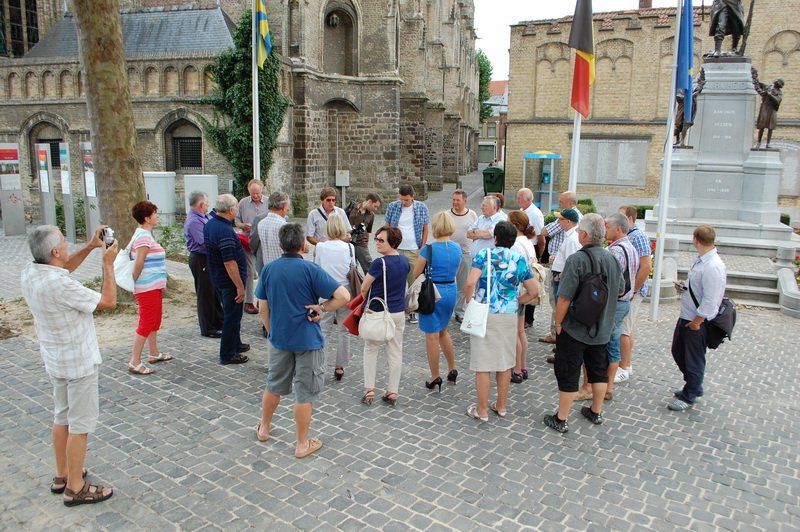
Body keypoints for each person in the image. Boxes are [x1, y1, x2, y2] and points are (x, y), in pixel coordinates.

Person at [21, 225, 117, 506]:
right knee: (80, 424)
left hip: (55, 358)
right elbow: (108, 302)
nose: (66, 244)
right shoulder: (59, 285)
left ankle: (63, 473)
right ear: (55, 251)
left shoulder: (31, 271)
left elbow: (64, 268)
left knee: (61, 416)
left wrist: (90, 246)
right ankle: (76, 487)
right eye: (63, 241)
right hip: (78, 361)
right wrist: (107, 264)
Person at [255, 223, 350, 457]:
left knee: (273, 384)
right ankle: (301, 444)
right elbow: (343, 295)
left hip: (280, 338)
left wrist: (272, 331)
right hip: (307, 339)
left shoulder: (269, 270)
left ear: (280, 245)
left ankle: (264, 428)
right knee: (305, 393)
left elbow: (262, 308)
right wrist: (322, 308)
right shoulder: (311, 270)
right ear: (303, 245)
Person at [543, 214, 625, 433]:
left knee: (569, 370)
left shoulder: (577, 260)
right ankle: (596, 411)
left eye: (580, 231)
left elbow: (564, 297)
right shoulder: (612, 259)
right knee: (598, 370)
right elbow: (620, 289)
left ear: (585, 235)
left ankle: (561, 418)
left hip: (576, 327)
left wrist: (558, 324)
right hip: (602, 327)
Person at [464, 221, 539, 422]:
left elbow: (470, 282)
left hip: (485, 313)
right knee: (505, 362)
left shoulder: (484, 255)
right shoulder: (518, 259)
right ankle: (501, 405)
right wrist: (517, 301)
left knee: (483, 363)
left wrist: (470, 300)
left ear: (495, 238)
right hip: (508, 314)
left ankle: (482, 409)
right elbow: (534, 290)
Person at [576, 213, 638, 402]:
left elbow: (610, 282)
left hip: (613, 303)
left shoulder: (616, 251)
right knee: (612, 344)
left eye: (608, 227)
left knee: (599, 345)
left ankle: (593, 387)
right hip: (623, 302)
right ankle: (607, 387)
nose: (605, 231)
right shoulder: (630, 247)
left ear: (618, 229)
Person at [669, 226, 726, 411]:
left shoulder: (713, 266)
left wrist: (697, 322)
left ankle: (690, 395)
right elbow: (699, 288)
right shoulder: (701, 260)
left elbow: (711, 299)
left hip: (696, 320)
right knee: (678, 351)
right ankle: (694, 385)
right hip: (687, 316)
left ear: (696, 239)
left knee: (694, 359)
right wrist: (684, 286)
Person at [411, 211, 462, 389]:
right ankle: (452, 368)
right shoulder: (457, 248)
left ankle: (435, 376)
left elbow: (416, 273)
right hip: (451, 290)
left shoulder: (429, 249)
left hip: (433, 293)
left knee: (432, 336)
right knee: (444, 331)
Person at [360, 227, 410, 406]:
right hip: (398, 312)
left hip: (378, 311)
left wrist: (364, 301)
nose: (377, 243)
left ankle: (369, 389)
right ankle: (393, 391)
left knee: (371, 349)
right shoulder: (404, 261)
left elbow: (364, 287)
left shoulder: (378, 263)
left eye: (382, 240)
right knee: (395, 350)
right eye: (377, 239)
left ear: (393, 243)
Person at [205, 194, 250, 365]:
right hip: (229, 281)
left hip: (219, 277)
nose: (237, 209)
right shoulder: (224, 230)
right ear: (231, 210)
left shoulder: (212, 223)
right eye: (236, 207)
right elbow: (229, 262)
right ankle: (228, 353)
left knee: (234, 314)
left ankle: (235, 343)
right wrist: (239, 286)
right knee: (232, 316)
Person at [128, 201, 170, 375]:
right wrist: (133, 282)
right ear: (147, 218)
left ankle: (153, 352)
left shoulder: (144, 234)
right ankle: (135, 361)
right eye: (154, 213)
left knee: (154, 320)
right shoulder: (143, 237)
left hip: (153, 285)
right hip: (146, 287)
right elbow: (139, 262)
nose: (157, 216)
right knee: (147, 322)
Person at [313, 216, 356, 381]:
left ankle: (320, 364)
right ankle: (340, 365)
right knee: (344, 330)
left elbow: (317, 268)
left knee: (324, 329)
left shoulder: (321, 247)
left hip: (325, 289)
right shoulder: (350, 247)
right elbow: (352, 267)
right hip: (345, 290)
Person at [616, 206, 653, 383]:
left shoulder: (638, 236)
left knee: (624, 329)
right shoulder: (632, 235)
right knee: (627, 328)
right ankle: (626, 364)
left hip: (632, 291)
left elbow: (646, 266)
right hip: (630, 290)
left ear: (630, 219)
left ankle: (624, 367)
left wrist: (634, 290)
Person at [539, 191, 581, 345]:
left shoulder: (572, 239)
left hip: (561, 277)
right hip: (559, 273)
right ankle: (559, 338)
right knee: (557, 306)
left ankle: (560, 339)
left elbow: (571, 262)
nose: (559, 222)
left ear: (568, 222)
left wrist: (560, 275)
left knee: (560, 307)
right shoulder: (570, 236)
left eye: (561, 220)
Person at [384, 184, 430, 324]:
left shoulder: (421, 207)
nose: (403, 202)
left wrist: (422, 246)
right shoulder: (393, 206)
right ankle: (394, 309)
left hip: (413, 249)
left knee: (413, 281)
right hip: (396, 249)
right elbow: (387, 226)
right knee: (394, 280)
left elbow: (425, 228)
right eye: (402, 199)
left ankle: (412, 310)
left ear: (412, 197)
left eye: (406, 200)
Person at [184, 191, 223, 339]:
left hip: (208, 258)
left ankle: (219, 321)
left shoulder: (203, 217)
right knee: (205, 293)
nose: (208, 205)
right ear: (201, 205)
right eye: (206, 203)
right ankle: (208, 328)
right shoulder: (194, 221)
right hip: (201, 258)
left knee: (214, 291)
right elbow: (205, 241)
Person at [508, 211, 538, 383]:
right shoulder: (527, 241)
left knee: (515, 333)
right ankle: (523, 367)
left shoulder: (515, 244)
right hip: (524, 288)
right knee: (520, 332)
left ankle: (517, 369)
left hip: (518, 289)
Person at [235, 179, 268, 314]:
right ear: (249, 191)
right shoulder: (243, 203)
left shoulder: (269, 202)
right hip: (247, 241)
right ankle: (248, 302)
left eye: (257, 193)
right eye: (253, 193)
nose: (255, 196)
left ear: (262, 190)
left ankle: (262, 300)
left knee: (264, 271)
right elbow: (236, 220)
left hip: (264, 241)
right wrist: (243, 225)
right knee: (249, 271)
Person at [516, 187, 546, 328]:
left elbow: (541, 237)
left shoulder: (536, 213)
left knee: (530, 280)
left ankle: (529, 318)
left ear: (528, 199)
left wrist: (540, 255)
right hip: (525, 244)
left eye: (520, 198)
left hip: (532, 247)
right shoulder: (522, 210)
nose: (517, 200)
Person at [450, 189, 478, 323]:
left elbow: (476, 232)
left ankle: (459, 311)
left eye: (458, 200)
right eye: (453, 200)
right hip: (450, 254)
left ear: (465, 201)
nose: (455, 202)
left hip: (465, 254)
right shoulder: (447, 215)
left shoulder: (472, 215)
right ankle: (447, 309)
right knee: (448, 283)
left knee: (463, 285)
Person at [253, 191, 290, 272]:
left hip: (268, 268)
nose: (288, 209)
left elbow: (254, 244)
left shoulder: (261, 223)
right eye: (287, 206)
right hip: (282, 270)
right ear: (283, 207)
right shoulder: (284, 226)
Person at [347, 192, 381, 273]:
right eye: (375, 206)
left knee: (369, 268)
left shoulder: (371, 215)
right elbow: (352, 225)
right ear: (369, 201)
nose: (376, 209)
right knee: (351, 268)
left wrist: (366, 243)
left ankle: (372, 281)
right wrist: (361, 212)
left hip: (361, 244)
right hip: (348, 242)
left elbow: (368, 231)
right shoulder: (352, 208)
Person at [467, 195, 503, 260]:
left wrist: (476, 230)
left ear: (494, 208)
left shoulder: (500, 220)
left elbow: (487, 235)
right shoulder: (481, 218)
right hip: (475, 259)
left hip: (488, 260)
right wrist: (482, 233)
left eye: (484, 205)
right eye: (482, 205)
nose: (481, 207)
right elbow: (469, 234)